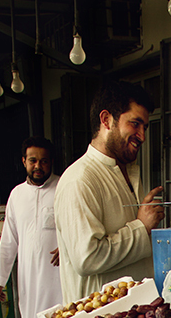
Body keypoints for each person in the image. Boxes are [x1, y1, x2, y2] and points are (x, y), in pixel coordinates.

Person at [54, 80, 164, 305]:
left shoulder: (129, 172)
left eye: (145, 127)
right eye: (135, 124)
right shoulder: (80, 179)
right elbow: (87, 258)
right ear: (106, 120)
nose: (142, 136)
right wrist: (141, 228)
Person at [0, 136, 62, 318]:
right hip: (29, 277)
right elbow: (9, 239)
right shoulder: (17, 195)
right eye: (33, 161)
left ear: (51, 162)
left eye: (44, 161)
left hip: (58, 276)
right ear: (24, 161)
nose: (38, 166)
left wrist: (67, 246)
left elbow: (78, 225)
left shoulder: (64, 188)